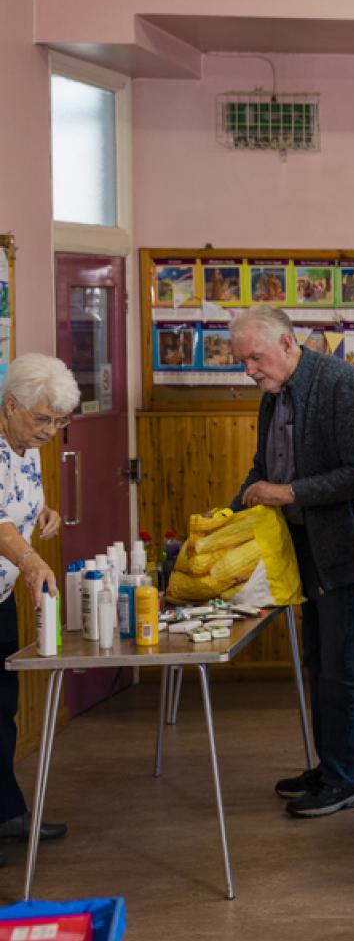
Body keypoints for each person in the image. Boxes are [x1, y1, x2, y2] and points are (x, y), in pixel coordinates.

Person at [228, 306, 354, 820]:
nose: (248, 369)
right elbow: (261, 469)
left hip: (338, 547)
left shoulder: (340, 384)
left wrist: (288, 491)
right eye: (241, 361)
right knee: (318, 659)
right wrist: (227, 518)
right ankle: (330, 764)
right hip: (297, 546)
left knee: (344, 662)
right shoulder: (275, 393)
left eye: (254, 358)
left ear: (288, 345)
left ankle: (347, 778)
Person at [0, 355, 78, 855]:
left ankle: (7, 814)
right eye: (42, 419)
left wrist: (44, 511)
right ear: (10, 406)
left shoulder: (26, 445)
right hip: (12, 573)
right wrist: (30, 561)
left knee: (1, 710)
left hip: (1, 592)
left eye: (58, 421)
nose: (51, 431)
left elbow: (18, 504)